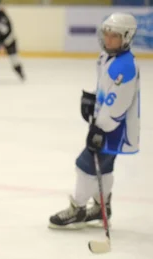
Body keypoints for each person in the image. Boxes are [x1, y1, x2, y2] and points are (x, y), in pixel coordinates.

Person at [49, 13, 139, 229]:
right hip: (106, 124)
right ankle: (101, 207)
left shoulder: (125, 67)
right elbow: (105, 90)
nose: (108, 39)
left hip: (113, 128)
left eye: (114, 36)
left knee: (84, 166)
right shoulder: (108, 57)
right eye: (106, 34)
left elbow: (118, 105)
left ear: (126, 37)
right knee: (104, 169)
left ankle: (78, 209)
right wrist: (93, 99)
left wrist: (101, 128)